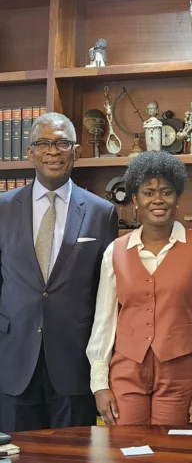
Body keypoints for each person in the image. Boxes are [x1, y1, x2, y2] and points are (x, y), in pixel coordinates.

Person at [86, 150, 192, 426]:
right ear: (135, 200)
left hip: (178, 372)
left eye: (166, 191)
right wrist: (99, 383)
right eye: (148, 192)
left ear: (177, 197)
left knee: (174, 457)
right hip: (126, 371)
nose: (158, 199)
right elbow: (104, 320)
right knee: (125, 454)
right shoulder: (115, 251)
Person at [0, 112, 118, 432]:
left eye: (63, 143)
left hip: (73, 360)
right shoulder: (3, 207)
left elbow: (104, 292)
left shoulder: (101, 212)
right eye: (43, 143)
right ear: (30, 152)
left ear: (76, 151)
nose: (53, 151)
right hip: (12, 359)